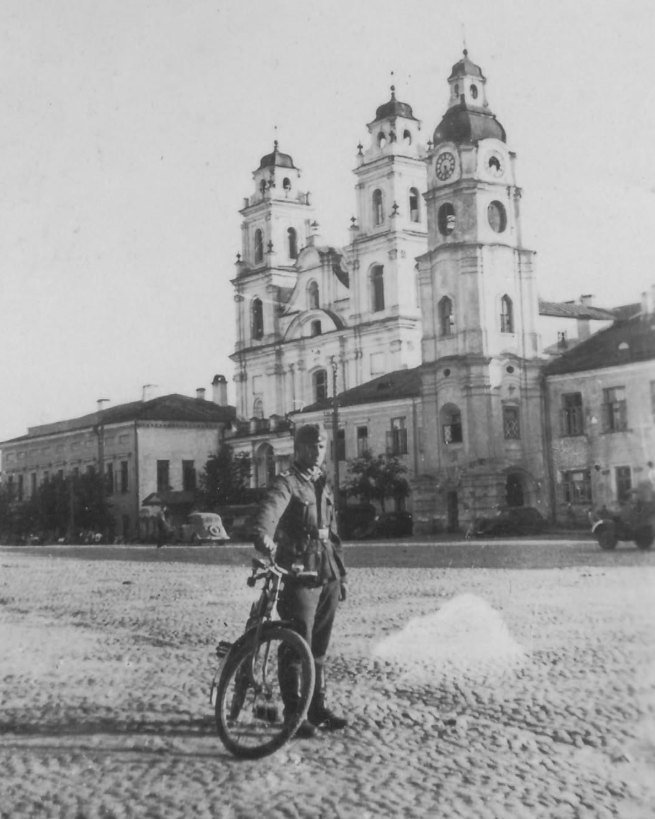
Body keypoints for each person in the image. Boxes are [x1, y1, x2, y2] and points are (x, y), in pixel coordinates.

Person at [252, 422, 348, 739]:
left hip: (327, 572)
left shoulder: (323, 484)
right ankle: (294, 714)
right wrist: (263, 535)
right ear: (299, 449)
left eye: (322, 446)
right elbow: (270, 508)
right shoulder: (287, 483)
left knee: (319, 646)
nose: (317, 452)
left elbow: (332, 533)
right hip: (298, 573)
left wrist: (341, 574)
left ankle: (316, 707)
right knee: (298, 645)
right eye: (311, 446)